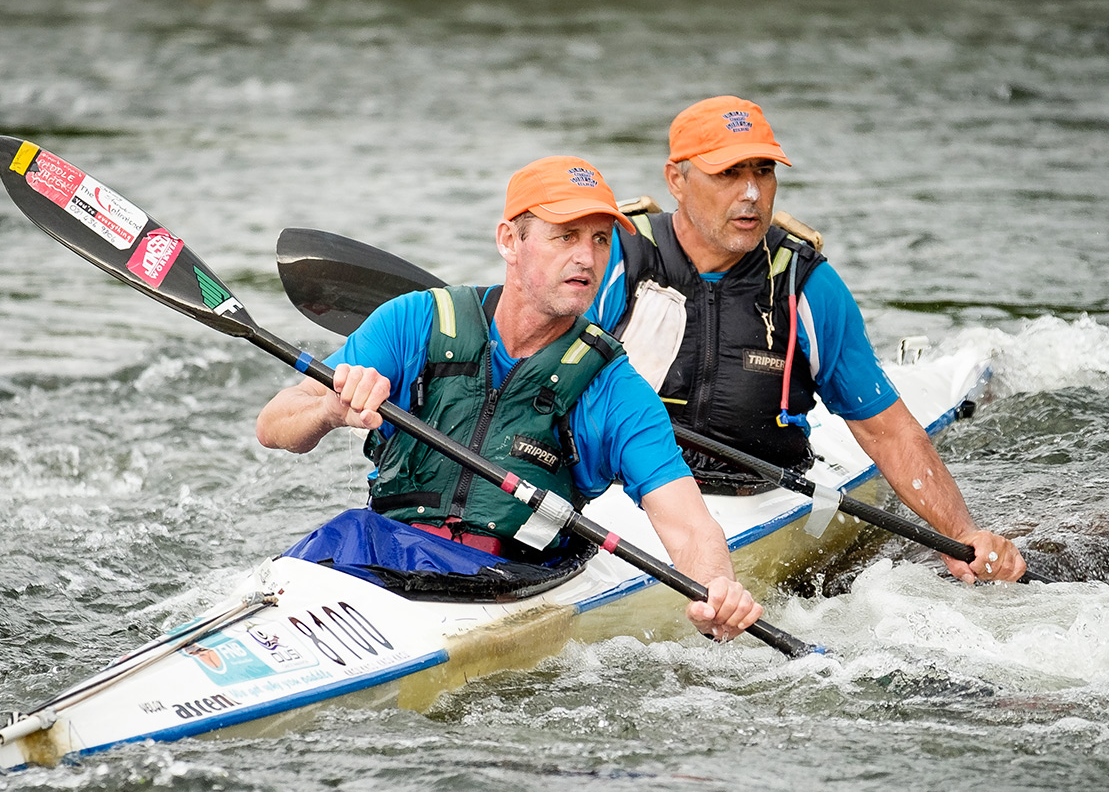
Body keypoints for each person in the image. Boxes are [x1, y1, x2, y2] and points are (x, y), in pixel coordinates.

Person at [257, 155, 767, 640]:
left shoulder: (614, 388)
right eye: (564, 236)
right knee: (339, 532)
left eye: (600, 240)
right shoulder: (412, 321)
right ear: (509, 240)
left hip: (506, 580)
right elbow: (275, 425)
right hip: (371, 553)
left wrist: (719, 589)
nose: (586, 258)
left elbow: (690, 526)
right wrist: (330, 410)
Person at [589, 96, 1027, 583]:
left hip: (755, 493)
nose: (752, 194)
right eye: (729, 174)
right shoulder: (613, 261)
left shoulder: (808, 287)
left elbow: (886, 430)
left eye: (764, 172)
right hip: (620, 493)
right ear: (677, 179)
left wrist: (963, 533)